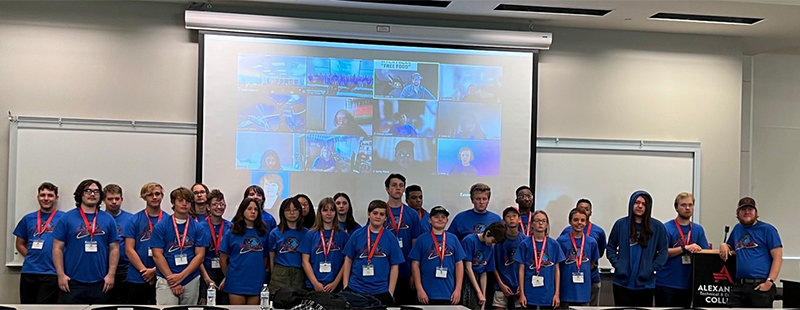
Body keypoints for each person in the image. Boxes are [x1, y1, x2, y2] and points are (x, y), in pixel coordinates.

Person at [52, 179, 120, 304]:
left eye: (96, 191)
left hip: (101, 282)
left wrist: (111, 274)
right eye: (88, 191)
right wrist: (61, 275)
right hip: (72, 282)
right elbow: (57, 248)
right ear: (80, 194)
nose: (92, 194)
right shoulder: (67, 218)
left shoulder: (108, 219)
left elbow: (114, 248)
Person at [607, 190, 668, 307]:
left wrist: (652, 267)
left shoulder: (657, 227)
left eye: (643, 204)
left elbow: (663, 251)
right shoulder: (620, 224)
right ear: (631, 204)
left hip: (645, 283)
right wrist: (618, 264)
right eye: (637, 202)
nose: (640, 206)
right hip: (622, 282)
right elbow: (610, 247)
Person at [720, 197, 783, 308]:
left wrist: (769, 282)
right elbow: (730, 245)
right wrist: (724, 245)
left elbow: (778, 257)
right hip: (739, 285)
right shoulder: (737, 229)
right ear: (738, 213)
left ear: (755, 212)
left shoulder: (767, 230)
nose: (747, 212)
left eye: (750, 209)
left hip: (759, 285)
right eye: (743, 209)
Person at [342, 200, 405, 306]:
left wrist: (390, 292)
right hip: (355, 289)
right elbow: (348, 260)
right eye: (375, 213)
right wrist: (345, 286)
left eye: (381, 214)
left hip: (380, 291)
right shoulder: (357, 235)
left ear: (385, 218)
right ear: (368, 214)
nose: (378, 217)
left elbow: (395, 266)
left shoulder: (391, 238)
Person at [151, 187, 207, 305]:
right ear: (173, 202)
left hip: (190, 278)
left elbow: (200, 256)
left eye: (187, 201)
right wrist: (172, 280)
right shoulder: (161, 226)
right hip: (166, 278)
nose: (184, 204)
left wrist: (181, 276)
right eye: (180, 200)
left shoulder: (198, 228)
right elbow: (157, 255)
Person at [654, 192, 709, 307]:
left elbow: (706, 255)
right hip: (667, 284)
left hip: (689, 285)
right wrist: (685, 248)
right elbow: (662, 253)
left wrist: (698, 250)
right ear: (676, 208)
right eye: (683, 205)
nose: (687, 208)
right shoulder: (666, 228)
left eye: (690, 205)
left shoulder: (698, 230)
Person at [13, 182, 64, 304]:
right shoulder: (28, 219)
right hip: (29, 271)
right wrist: (31, 256)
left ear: (56, 198)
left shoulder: (64, 218)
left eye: (50, 195)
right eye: (43, 195)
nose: (46, 198)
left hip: (52, 272)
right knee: (27, 306)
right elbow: (19, 243)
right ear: (38, 197)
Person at [123, 182, 168, 305]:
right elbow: (129, 249)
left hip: (162, 275)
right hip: (137, 276)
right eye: (150, 194)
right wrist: (145, 271)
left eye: (157, 194)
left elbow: (170, 251)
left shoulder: (169, 220)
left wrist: (154, 270)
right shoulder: (134, 220)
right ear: (144, 197)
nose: (154, 197)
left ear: (162, 196)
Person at [410, 206, 466, 305]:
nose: (440, 219)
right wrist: (419, 289)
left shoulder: (453, 239)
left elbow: (459, 265)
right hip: (427, 293)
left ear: (447, 220)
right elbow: (415, 265)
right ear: (429, 220)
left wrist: (458, 289)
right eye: (436, 217)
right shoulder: (422, 239)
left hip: (449, 293)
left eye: (443, 217)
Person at [220, 197, 269, 305]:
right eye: (249, 208)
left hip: (256, 281)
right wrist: (229, 276)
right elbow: (223, 259)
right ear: (242, 211)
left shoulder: (263, 233)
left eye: (256, 209)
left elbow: (265, 258)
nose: (253, 212)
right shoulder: (232, 232)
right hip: (236, 281)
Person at [558, 198, 607, 306]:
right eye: (575, 220)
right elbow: (558, 264)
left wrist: (579, 266)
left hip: (585, 285)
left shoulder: (592, 241)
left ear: (586, 222)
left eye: (582, 220)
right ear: (570, 221)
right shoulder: (562, 240)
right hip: (566, 286)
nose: (579, 223)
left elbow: (593, 261)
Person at [383, 173, 423, 302]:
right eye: (394, 185)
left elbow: (415, 244)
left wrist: (413, 273)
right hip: (384, 270)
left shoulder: (412, 214)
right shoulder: (380, 212)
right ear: (387, 189)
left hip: (406, 269)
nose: (398, 188)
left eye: (401, 186)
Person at [516, 210, 565, 309]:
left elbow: (557, 270)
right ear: (532, 224)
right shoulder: (525, 244)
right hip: (529, 292)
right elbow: (521, 269)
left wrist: (557, 294)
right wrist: (522, 293)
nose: (540, 223)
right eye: (537, 220)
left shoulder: (554, 244)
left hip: (548, 294)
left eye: (543, 221)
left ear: (547, 224)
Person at [300, 197, 350, 292]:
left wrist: (335, 283)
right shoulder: (310, 235)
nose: (329, 213)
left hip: (335, 285)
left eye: (332, 210)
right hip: (313, 285)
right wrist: (315, 283)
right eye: (325, 210)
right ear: (320, 213)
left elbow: (346, 262)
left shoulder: (343, 235)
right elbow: (305, 261)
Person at [198, 189, 232, 306]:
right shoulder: (200, 227)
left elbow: (233, 255)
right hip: (206, 273)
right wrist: (207, 279)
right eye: (215, 204)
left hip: (225, 272)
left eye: (222, 204)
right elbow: (198, 257)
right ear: (208, 207)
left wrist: (227, 277)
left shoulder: (231, 227)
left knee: (225, 305)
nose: (219, 207)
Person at [461, 222, 506, 310]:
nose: (493, 244)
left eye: (495, 243)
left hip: (479, 277)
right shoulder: (469, 240)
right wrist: (478, 292)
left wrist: (483, 295)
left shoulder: (490, 247)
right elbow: (468, 268)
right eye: (493, 241)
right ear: (487, 233)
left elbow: (484, 272)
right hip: (467, 277)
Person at [269, 198, 309, 293]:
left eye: (295, 210)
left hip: (299, 273)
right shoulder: (275, 233)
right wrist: (273, 273)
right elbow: (272, 257)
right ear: (282, 212)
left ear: (300, 212)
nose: (292, 213)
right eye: (288, 210)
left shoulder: (306, 233)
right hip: (280, 272)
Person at [102, 184, 134, 304]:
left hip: (125, 269)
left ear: (122, 199)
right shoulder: (99, 219)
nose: (114, 202)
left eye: (117, 198)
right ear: (104, 200)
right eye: (110, 199)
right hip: (103, 269)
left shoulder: (131, 219)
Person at [492, 206, 527, 309]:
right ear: (503, 221)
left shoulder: (525, 241)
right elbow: (493, 265)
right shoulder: (498, 240)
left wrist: (522, 286)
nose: (511, 219)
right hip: (501, 285)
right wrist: (501, 284)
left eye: (514, 216)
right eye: (508, 216)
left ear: (519, 219)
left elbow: (527, 266)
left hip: (520, 287)